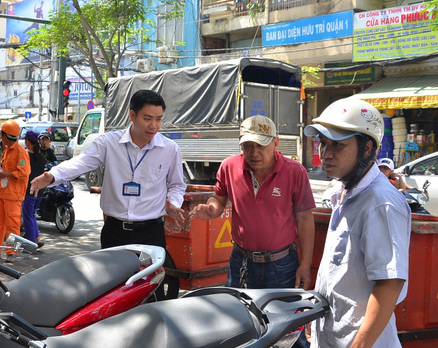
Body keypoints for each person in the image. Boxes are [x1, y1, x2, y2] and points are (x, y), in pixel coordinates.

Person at [304, 98, 411, 347]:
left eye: (338, 145)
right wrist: (315, 316)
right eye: (323, 143)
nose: (326, 154)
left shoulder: (380, 203)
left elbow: (390, 282)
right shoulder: (346, 192)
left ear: (366, 148)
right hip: (333, 334)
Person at [31, 89, 186, 250]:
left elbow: (177, 185)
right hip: (115, 232)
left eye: (159, 119)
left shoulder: (169, 149)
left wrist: (174, 203)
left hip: (151, 233)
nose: (153, 126)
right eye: (147, 119)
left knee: (148, 276)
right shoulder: (109, 143)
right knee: (115, 276)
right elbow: (80, 163)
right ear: (132, 115)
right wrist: (53, 175)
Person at [190, 115, 315, 291]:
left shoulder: (295, 171)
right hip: (241, 261)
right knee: (240, 314)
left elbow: (304, 219)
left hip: (282, 264)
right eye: (247, 146)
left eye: (260, 145)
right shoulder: (229, 166)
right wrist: (211, 209)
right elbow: (219, 198)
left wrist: (305, 265)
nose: (254, 153)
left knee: (279, 316)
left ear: (275, 143)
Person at [0, 119, 30, 255]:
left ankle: (12, 251)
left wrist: (6, 173)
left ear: (5, 135)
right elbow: (9, 168)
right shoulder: (7, 150)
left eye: (2, 134)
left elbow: (24, 173)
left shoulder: (20, 152)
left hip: (13, 195)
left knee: (12, 225)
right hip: (2, 193)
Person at [22, 130, 47, 247]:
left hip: (29, 191)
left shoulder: (26, 156)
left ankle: (31, 243)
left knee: (28, 217)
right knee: (31, 215)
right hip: (40, 191)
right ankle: (37, 239)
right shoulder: (41, 156)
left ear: (27, 141)